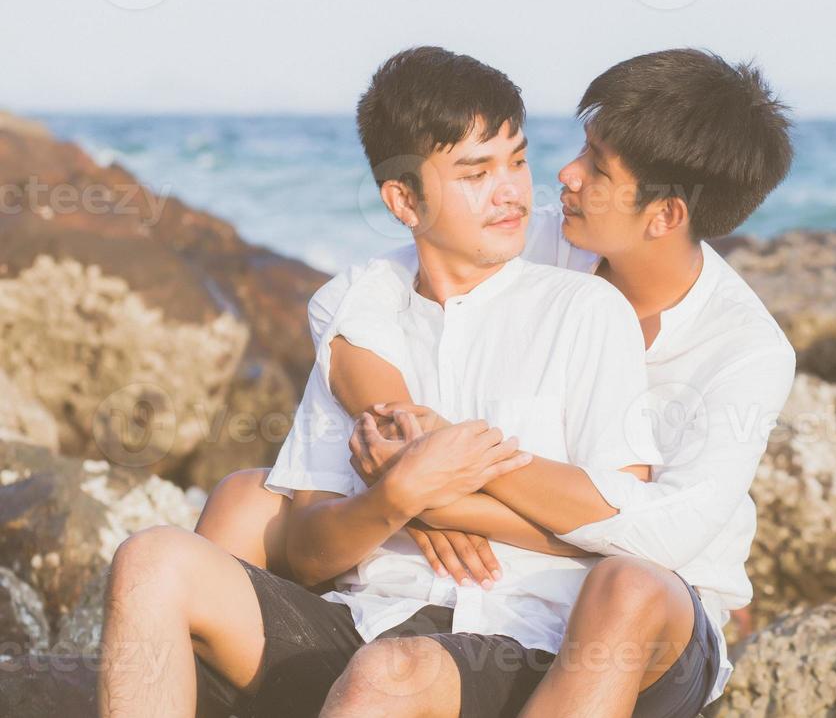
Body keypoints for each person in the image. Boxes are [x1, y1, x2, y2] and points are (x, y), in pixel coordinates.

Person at [194, 48, 799, 716]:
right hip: (507, 573)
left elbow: (659, 535)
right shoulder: (543, 239)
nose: (564, 175)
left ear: (663, 216)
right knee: (248, 500)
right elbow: (355, 301)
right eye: (580, 148)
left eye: (597, 166)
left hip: (652, 613)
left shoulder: (746, 352)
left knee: (625, 585)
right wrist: (403, 426)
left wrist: (439, 487)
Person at [98, 47, 660, 718]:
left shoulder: (583, 311)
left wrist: (453, 496)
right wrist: (395, 499)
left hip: (515, 642)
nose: (511, 191)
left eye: (517, 159)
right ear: (404, 199)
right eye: (475, 172)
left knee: (387, 675)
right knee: (150, 559)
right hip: (362, 621)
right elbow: (305, 554)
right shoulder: (366, 318)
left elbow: (631, 521)